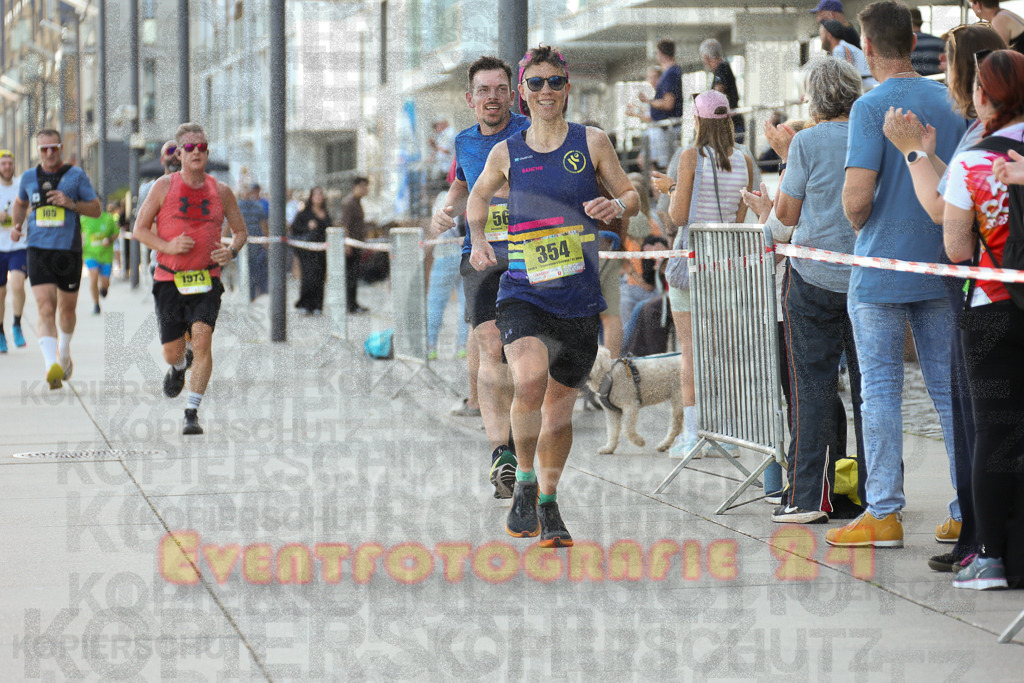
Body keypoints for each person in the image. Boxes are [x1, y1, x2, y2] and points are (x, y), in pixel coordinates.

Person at [468, 45, 638, 547]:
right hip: (523, 292)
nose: (546, 91)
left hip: (578, 297)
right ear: (523, 91)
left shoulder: (592, 142)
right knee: (528, 380)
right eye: (536, 83)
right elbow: (478, 196)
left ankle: (547, 500)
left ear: (568, 88)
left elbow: (632, 196)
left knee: (560, 412)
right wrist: (479, 238)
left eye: (555, 82)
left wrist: (615, 204)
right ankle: (522, 481)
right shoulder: (508, 151)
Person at [826, 1, 967, 549]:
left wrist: (858, 219)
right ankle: (965, 507)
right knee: (951, 392)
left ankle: (883, 512)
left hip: (881, 266)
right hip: (942, 262)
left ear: (866, 44)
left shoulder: (869, 108)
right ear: (913, 40)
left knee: (879, 391)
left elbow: (857, 199)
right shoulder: (950, 102)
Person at [881, 22, 1007, 570]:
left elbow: (948, 221)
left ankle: (982, 543)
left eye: (948, 61)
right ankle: (981, 537)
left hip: (984, 293)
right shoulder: (991, 133)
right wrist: (930, 156)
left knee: (978, 420)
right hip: (990, 291)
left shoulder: (983, 135)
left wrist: (911, 153)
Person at [742, 58, 865, 524]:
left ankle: (809, 495)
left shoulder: (807, 142)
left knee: (809, 390)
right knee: (870, 391)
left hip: (812, 277)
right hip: (865, 278)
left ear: (813, 97)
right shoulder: (871, 136)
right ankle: (877, 497)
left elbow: (787, 217)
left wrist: (764, 220)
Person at [429, 55, 532, 499]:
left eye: (499, 89)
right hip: (482, 253)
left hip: (531, 251)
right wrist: (447, 205)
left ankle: (522, 446)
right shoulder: (464, 140)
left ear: (512, 94)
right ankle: (501, 454)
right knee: (490, 342)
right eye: (483, 91)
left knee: (523, 353)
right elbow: (463, 181)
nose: (492, 97)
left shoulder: (530, 132)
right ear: (471, 99)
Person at [942, 49, 1024, 590]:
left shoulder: (972, 160)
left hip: (993, 309)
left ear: (985, 96)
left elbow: (955, 247)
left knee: (996, 432)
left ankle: (992, 556)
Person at [650, 90, 754, 462]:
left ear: (697, 121)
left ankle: (694, 434)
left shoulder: (691, 157)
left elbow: (679, 218)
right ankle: (725, 434)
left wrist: (670, 187)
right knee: (723, 353)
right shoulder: (746, 160)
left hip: (691, 266)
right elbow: (739, 220)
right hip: (726, 268)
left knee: (691, 354)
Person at [132, 122, 247, 435]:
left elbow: (240, 232)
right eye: (191, 147)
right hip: (169, 278)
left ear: (207, 153)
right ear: (179, 153)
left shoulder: (221, 191)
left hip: (206, 279)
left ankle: (191, 412)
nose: (197, 152)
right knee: (172, 351)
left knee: (203, 339)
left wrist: (231, 251)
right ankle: (180, 366)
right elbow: (139, 230)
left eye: (202, 147)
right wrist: (167, 246)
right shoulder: (163, 187)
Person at [10, 130, 101, 389]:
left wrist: (71, 203)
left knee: (67, 311)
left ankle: (63, 352)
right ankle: (51, 365)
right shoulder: (28, 177)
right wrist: (17, 225)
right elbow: (19, 203)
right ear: (37, 151)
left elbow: (96, 209)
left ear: (61, 148)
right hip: (37, 249)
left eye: (53, 148)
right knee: (45, 308)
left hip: (68, 251)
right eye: (44, 149)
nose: (49, 153)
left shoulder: (76, 176)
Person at [139, 140, 183, 281]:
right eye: (170, 152)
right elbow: (144, 227)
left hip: (196, 265)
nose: (175, 156)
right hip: (162, 264)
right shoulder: (150, 189)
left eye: (179, 152)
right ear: (162, 160)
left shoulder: (200, 187)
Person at [638, 40, 683, 170]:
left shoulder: (671, 73)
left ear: (661, 54)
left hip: (665, 129)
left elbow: (668, 103)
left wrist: (648, 101)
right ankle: (658, 189)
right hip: (662, 128)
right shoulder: (670, 73)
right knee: (648, 161)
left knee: (664, 166)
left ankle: (662, 190)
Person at [0, 149, 27, 353]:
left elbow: (31, 208)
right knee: (0, 293)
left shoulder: (21, 185)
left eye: (9, 163)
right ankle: (0, 332)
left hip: (19, 244)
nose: (7, 167)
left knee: (17, 284)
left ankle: (16, 324)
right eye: (3, 164)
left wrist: (21, 213)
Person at [290, 186, 330, 314]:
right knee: (308, 277)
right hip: (307, 252)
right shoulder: (304, 213)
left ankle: (318, 305)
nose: (318, 197)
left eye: (320, 195)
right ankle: (306, 304)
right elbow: (295, 228)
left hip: (321, 251)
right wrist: (308, 227)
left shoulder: (325, 213)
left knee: (319, 277)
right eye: (316, 195)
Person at [700, 39, 746, 143]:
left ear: (706, 57)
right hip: (732, 123)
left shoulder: (721, 68)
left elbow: (718, 94)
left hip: (731, 124)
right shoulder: (723, 67)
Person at [79, 206, 119, 314]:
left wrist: (109, 240)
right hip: (90, 254)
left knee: (105, 282)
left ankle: (104, 288)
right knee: (94, 275)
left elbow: (116, 233)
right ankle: (96, 304)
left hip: (106, 255)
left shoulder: (108, 218)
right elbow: (79, 234)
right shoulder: (84, 219)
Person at [339, 176, 369, 314]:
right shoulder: (349, 203)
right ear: (355, 186)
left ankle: (353, 302)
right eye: (362, 186)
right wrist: (347, 244)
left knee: (354, 275)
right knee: (350, 275)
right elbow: (345, 224)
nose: (365, 189)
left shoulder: (358, 202)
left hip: (357, 244)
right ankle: (349, 305)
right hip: (351, 245)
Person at [821, 20, 879, 90]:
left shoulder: (840, 49)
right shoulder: (844, 46)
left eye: (822, 34)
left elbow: (841, 80)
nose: (821, 38)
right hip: (869, 86)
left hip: (867, 88)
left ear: (829, 36)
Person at [238, 183, 269, 302]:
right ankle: (250, 293)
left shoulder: (237, 206)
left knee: (247, 268)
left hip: (248, 242)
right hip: (252, 242)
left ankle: (249, 293)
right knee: (253, 268)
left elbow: (263, 225)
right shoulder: (258, 206)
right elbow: (263, 225)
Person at [909, 8, 944, 76]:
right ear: (920, 22)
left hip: (910, 85)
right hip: (935, 85)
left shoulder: (902, 45)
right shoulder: (939, 43)